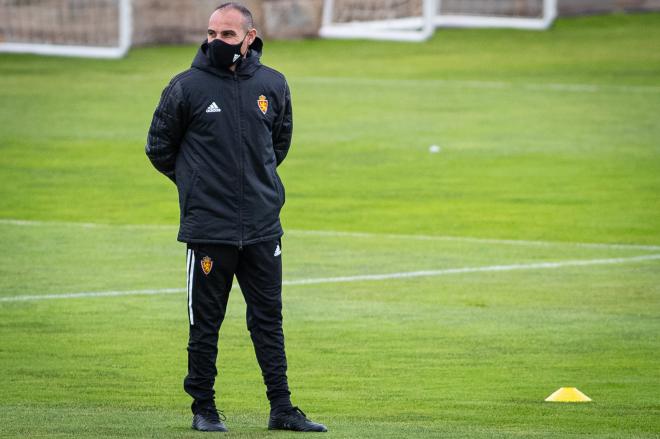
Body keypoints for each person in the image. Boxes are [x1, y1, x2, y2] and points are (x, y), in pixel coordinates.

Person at [145, 2, 326, 433]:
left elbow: (277, 146)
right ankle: (203, 409)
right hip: (209, 229)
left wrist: (255, 188)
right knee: (205, 323)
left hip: (263, 228)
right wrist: (196, 184)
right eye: (211, 34)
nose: (216, 42)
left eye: (226, 35)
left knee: (269, 320)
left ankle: (281, 408)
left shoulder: (273, 84)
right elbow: (158, 147)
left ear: (249, 37)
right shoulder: (185, 87)